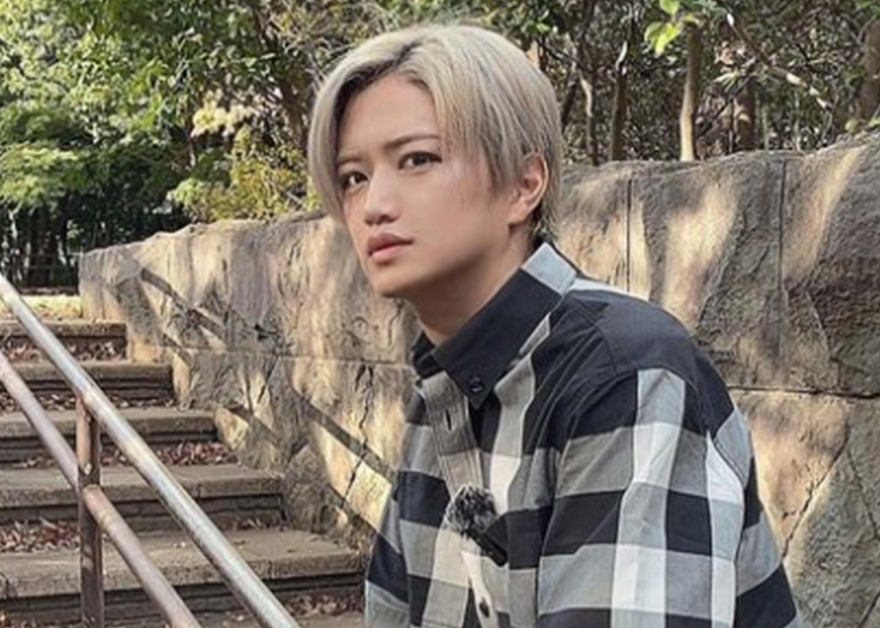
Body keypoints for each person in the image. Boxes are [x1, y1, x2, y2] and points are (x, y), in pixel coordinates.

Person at [307, 23, 800, 628]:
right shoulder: (444, 383)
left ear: (524, 185)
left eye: (418, 160)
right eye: (353, 177)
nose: (374, 205)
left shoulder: (624, 377)